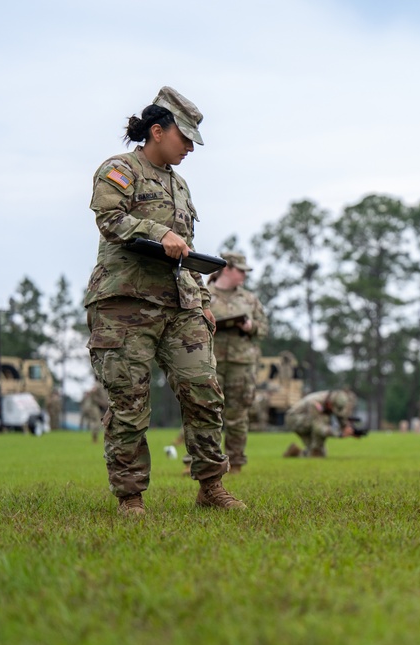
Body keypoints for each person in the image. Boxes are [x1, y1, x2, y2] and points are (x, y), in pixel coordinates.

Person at [84, 85, 244, 516]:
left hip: (181, 305)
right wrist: (159, 234)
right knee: (130, 401)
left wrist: (203, 299)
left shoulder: (180, 186)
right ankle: (130, 496)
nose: (190, 147)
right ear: (157, 130)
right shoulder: (120, 169)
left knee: (204, 391)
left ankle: (211, 486)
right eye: (185, 138)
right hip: (124, 304)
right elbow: (110, 219)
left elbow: (184, 250)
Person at [205, 251, 267, 473]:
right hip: (210, 362)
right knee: (205, 413)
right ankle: (204, 464)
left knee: (238, 415)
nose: (244, 275)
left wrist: (252, 327)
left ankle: (236, 463)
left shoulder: (249, 299)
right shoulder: (204, 295)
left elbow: (264, 328)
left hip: (242, 364)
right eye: (241, 270)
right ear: (227, 268)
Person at [283, 389, 358, 458]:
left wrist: (349, 429)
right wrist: (339, 434)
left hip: (309, 421)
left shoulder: (332, 399)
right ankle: (313, 449)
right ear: (330, 404)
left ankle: (295, 453)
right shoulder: (315, 403)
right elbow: (318, 428)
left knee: (319, 455)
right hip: (294, 420)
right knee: (324, 419)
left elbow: (339, 416)